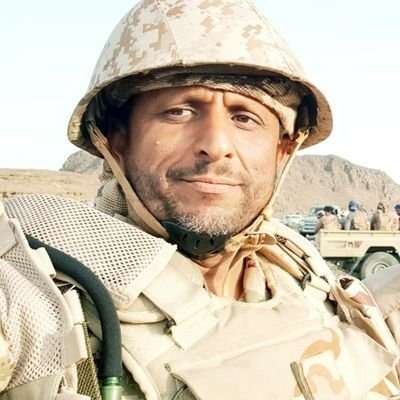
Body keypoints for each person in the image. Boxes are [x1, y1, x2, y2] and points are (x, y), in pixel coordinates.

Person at [1, 1, 400, 399]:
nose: (216, 145)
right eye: (179, 112)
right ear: (117, 139)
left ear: (282, 150)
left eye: (245, 118)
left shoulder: (305, 275)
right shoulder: (34, 299)